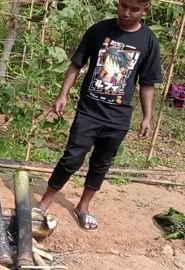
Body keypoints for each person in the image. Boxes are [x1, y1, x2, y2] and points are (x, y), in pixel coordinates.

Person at [34, 0, 162, 232]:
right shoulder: (99, 30)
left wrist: (147, 117)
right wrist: (63, 94)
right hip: (89, 112)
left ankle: (83, 207)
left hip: (118, 118)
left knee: (101, 164)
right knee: (72, 158)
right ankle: (46, 201)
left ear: (145, 10)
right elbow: (76, 64)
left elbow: (147, 83)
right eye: (123, 5)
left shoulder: (149, 41)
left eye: (134, 9)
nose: (126, 12)